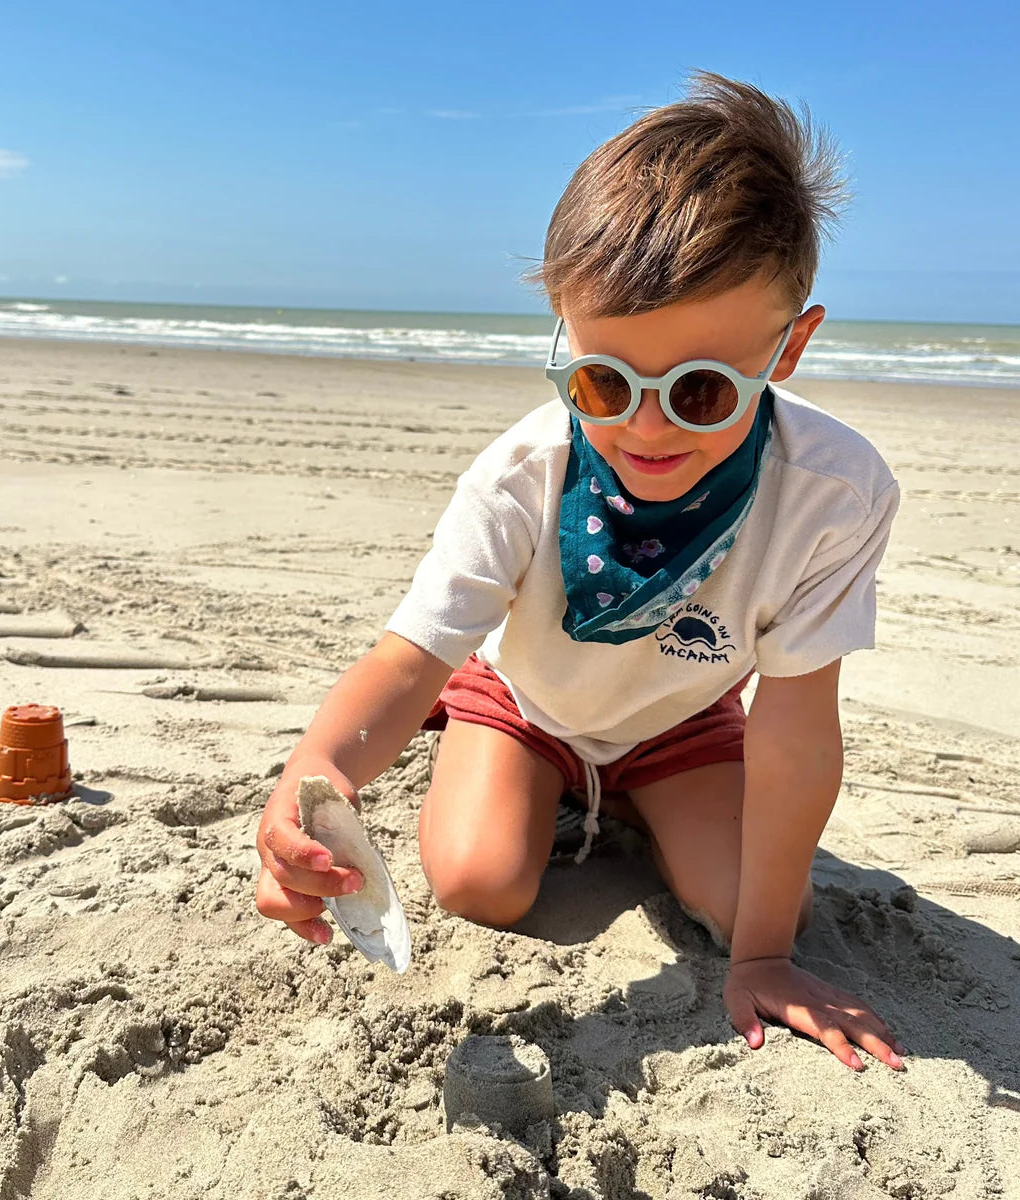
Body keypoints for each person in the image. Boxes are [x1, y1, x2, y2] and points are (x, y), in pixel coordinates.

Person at [255, 71, 906, 1073]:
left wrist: (764, 954)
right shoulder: (527, 471)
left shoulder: (833, 491)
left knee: (758, 905)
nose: (644, 427)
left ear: (790, 348)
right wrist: (315, 776)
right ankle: (497, 752)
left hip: (682, 719)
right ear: (565, 333)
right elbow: (409, 657)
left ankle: (636, 795)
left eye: (698, 391)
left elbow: (798, 722)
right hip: (527, 702)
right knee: (480, 881)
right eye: (604, 380)